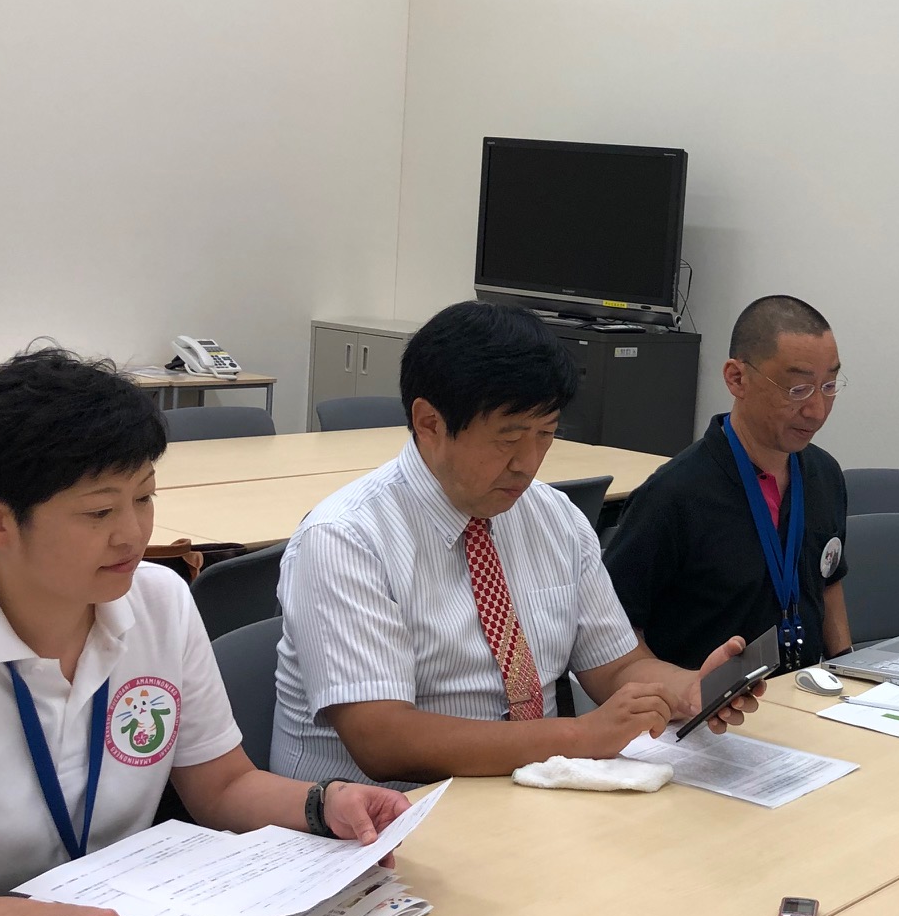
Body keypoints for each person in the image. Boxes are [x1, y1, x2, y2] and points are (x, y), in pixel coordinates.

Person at [0, 351, 408, 916]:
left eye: (145, 497)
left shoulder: (158, 600)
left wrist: (323, 804)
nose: (133, 534)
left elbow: (223, 786)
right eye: (99, 512)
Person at [273, 302, 759, 788]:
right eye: (508, 439)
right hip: (383, 817)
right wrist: (577, 736)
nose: (528, 463)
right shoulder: (345, 538)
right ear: (429, 423)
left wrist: (688, 689)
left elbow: (617, 666)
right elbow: (384, 741)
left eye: (545, 434)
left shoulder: (553, 517)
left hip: (527, 795)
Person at [605, 295, 851, 674]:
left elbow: (828, 582)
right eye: (798, 389)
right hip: (703, 703)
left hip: (801, 696)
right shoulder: (674, 495)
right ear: (737, 378)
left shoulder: (824, 474)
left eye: (829, 386)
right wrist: (682, 691)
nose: (817, 410)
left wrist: (847, 671)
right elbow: (612, 626)